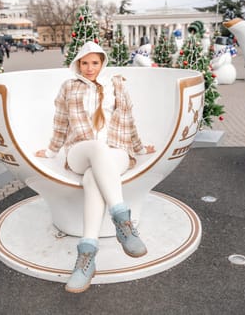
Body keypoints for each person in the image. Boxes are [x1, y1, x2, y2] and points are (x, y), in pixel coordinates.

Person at [35, 41, 155, 293]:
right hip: (81, 150)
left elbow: (129, 121)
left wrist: (140, 149)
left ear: (102, 63)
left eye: (95, 63)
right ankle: (123, 222)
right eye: (85, 63)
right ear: (78, 63)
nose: (90, 68)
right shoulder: (68, 87)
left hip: (117, 150)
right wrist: (50, 151)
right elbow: (60, 124)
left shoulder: (117, 85)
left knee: (93, 178)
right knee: (96, 150)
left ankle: (86, 257)